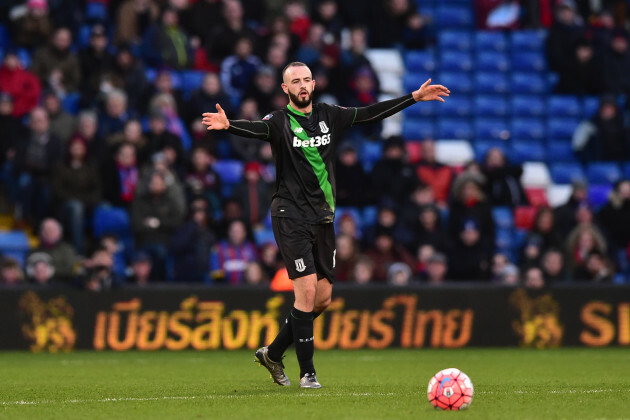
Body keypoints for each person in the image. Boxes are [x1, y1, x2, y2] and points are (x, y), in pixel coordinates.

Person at [202, 61, 448, 388]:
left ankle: (273, 353)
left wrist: (413, 97)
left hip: (323, 218)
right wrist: (229, 124)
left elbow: (370, 113)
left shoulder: (329, 114)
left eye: (306, 80)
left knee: (321, 299)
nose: (302, 86)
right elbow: (257, 129)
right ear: (285, 89)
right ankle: (308, 374)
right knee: (304, 292)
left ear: (314, 84)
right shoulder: (279, 121)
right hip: (290, 216)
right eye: (295, 81)